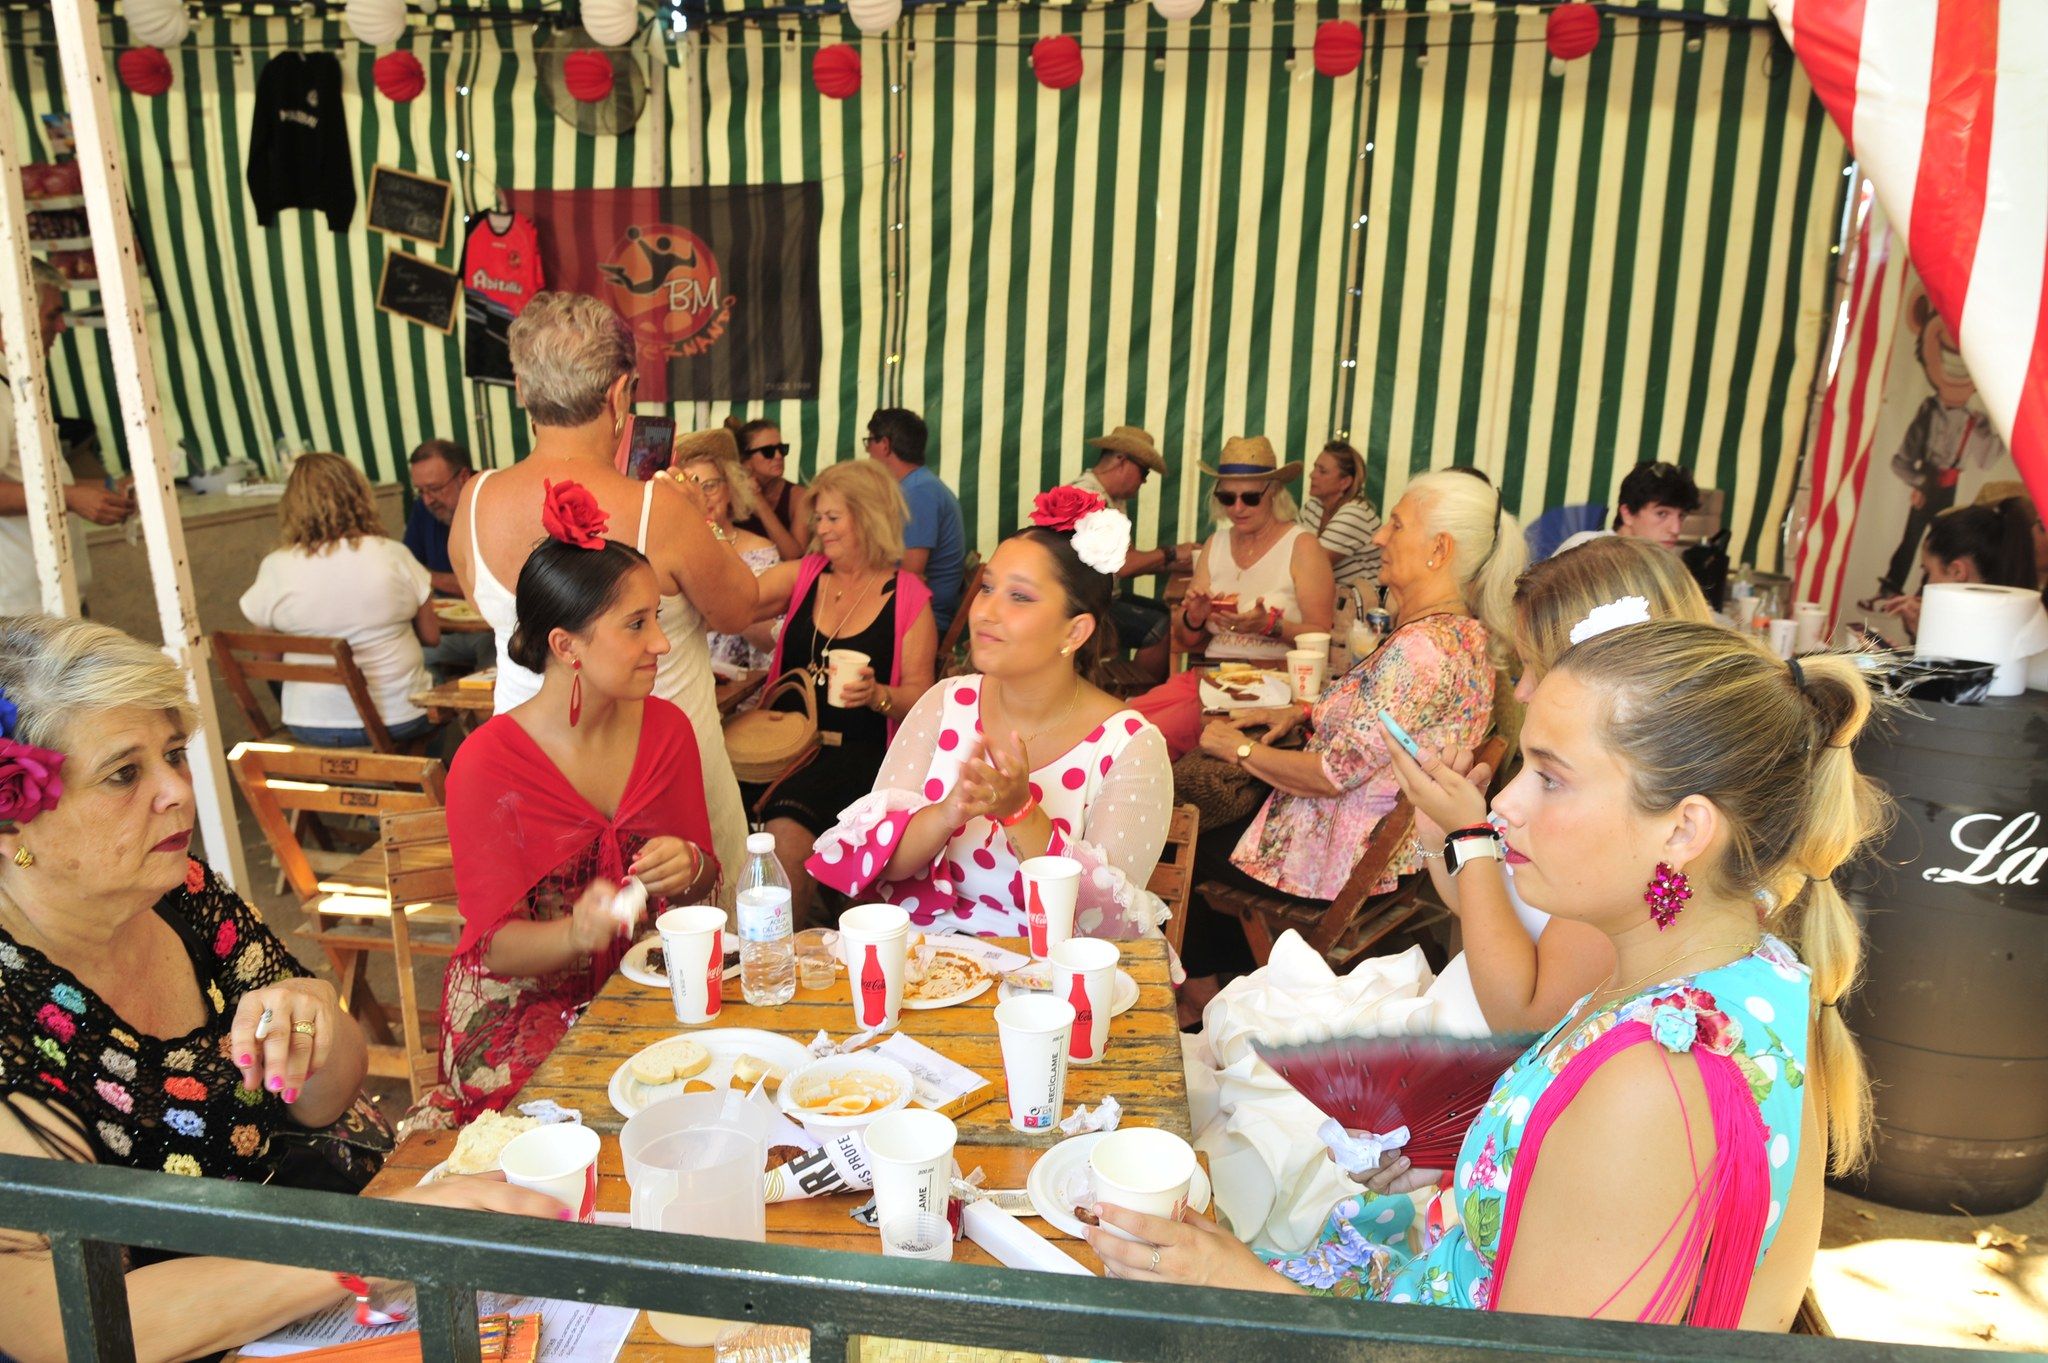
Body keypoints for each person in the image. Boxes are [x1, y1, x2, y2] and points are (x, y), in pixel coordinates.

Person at [1100, 621, 1883, 1336]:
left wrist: (1242, 1290)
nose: (1502, 805)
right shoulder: (1745, 976)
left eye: (1551, 777)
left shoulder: (1655, 1079)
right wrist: (1488, 1168)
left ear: (1682, 828)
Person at [0, 615, 561, 1363]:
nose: (177, 790)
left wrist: (315, 1017)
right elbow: (58, 1325)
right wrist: (363, 1248)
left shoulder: (180, 893)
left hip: (361, 1267)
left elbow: (327, 1096)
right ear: (11, 825)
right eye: (124, 773)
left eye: (173, 754)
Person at [409, 490, 718, 1129]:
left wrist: (689, 865)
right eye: (637, 624)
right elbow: (495, 949)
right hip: (523, 1007)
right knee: (591, 1120)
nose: (661, 643)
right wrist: (576, 934)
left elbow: (705, 880)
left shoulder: (667, 731)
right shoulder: (488, 764)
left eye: (657, 617)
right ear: (566, 645)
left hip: (647, 985)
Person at [450, 291, 754, 905]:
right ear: (619, 394)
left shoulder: (475, 502)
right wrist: (706, 523)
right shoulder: (658, 508)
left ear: (520, 389)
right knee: (697, 942)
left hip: (534, 762)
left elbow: (498, 617)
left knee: (563, 940)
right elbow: (739, 610)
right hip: (665, 769)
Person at [1179, 471, 1523, 999]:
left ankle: (1208, 995)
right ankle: (1232, 983)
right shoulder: (1462, 633)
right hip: (1382, 847)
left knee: (1183, 835)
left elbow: (1327, 776)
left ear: (1439, 550)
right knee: (1207, 821)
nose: (1380, 537)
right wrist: (1303, 715)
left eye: (1396, 524)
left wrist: (1238, 746)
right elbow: (1386, 725)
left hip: (1339, 859)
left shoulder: (1421, 651)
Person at [806, 488, 1171, 939]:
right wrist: (948, 812)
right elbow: (885, 866)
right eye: (987, 587)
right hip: (935, 968)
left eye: (1020, 597)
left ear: (1075, 630)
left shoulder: (1129, 745)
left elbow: (1109, 927)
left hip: (1054, 982)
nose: (985, 612)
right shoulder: (945, 703)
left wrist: (1021, 813)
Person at [751, 460, 939, 922]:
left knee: (799, 838)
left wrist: (878, 695)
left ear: (868, 516)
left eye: (834, 517)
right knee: (784, 840)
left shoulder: (908, 595)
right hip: (786, 749)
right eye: (819, 518)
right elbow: (737, 600)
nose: (821, 528)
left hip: (865, 757)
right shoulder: (806, 574)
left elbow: (923, 694)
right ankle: (779, 954)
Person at [238, 451, 439, 748]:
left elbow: (268, 658)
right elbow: (431, 637)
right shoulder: (392, 554)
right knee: (438, 678)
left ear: (292, 505)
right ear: (359, 495)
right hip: (399, 717)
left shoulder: (275, 566)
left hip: (309, 723)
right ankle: (425, 785)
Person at [0, 261, 129, 616]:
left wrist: (104, 488)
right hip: (20, 614)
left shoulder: (17, 381)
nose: (62, 327)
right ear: (11, 316)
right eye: (52, 315)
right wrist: (70, 497)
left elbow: (23, 478)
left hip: (49, 605)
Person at [1176, 436, 1336, 662]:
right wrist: (1193, 618)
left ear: (1274, 492)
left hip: (1277, 678)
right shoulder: (1215, 543)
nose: (1238, 508)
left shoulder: (1302, 545)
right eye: (1227, 497)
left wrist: (1271, 626)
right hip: (1214, 673)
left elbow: (1320, 636)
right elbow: (1186, 640)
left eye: (1250, 498)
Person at [1068, 425, 1196, 684]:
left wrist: (1173, 561)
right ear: (1121, 461)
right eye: (1144, 471)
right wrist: (1170, 552)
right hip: (1082, 605)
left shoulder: (1109, 497)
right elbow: (1125, 566)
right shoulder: (1090, 499)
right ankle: (1133, 695)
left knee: (1166, 614)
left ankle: (1130, 689)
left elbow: (1130, 558)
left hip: (1099, 597)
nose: (1145, 480)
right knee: (1162, 626)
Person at [676, 428, 782, 676]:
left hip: (742, 691)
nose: (702, 498)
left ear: (731, 487)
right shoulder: (671, 551)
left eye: (710, 486)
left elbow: (772, 641)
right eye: (692, 489)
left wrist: (729, 605)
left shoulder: (760, 551)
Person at [1876, 497, 2041, 638]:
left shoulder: (1985, 640)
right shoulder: (2016, 621)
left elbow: (1950, 672)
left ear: (1957, 571)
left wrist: (1930, 634)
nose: (1927, 585)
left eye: (1928, 572)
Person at [865, 407, 966, 634]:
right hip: (922, 611)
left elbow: (911, 574)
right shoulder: (918, 485)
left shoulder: (918, 492)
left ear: (884, 445)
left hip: (926, 619)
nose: (867, 451)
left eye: (868, 442)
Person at [403, 439, 493, 680]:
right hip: (442, 630)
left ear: (463, 476)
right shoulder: (423, 509)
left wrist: (427, 576)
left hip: (492, 630)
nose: (427, 500)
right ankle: (438, 717)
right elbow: (408, 569)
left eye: (434, 488)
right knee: (408, 660)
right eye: (420, 491)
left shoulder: (494, 501)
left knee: (498, 658)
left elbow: (488, 586)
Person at [1557, 461, 1701, 555]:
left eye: (1681, 516)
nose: (1675, 529)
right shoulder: (1585, 549)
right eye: (1662, 514)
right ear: (1627, 514)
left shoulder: (1663, 565)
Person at [1298, 439, 1382, 596]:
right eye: (1314, 468)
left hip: (1362, 609)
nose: (1311, 475)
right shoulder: (1314, 506)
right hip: (1334, 600)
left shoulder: (1355, 513)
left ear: (1345, 482)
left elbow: (1310, 565)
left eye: (1322, 471)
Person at [729, 416, 810, 562]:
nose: (778, 456)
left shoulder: (798, 496)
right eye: (768, 451)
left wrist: (760, 504)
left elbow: (795, 557)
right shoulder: (731, 494)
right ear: (745, 460)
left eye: (782, 449)